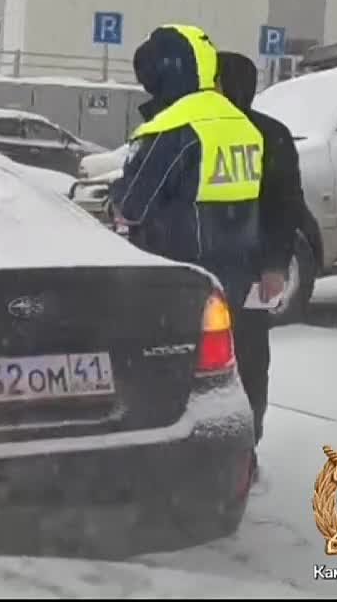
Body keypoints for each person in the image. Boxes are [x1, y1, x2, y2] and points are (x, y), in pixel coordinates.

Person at [109, 25, 265, 317]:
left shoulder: (174, 126)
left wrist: (114, 193)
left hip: (178, 275)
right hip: (236, 272)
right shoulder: (240, 122)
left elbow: (133, 206)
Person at [216, 51, 305, 478]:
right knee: (234, 361)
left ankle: (245, 450)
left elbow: (285, 207)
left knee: (249, 359)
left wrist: (274, 265)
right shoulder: (202, 131)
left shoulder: (270, 136)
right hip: (217, 267)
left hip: (248, 269)